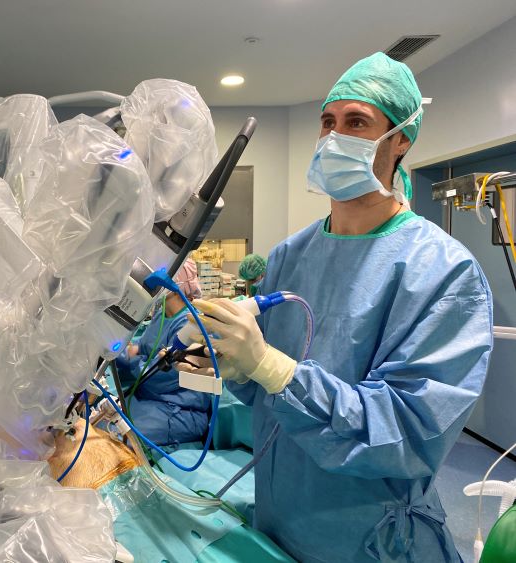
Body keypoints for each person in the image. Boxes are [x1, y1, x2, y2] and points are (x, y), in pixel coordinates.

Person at [177, 52, 493, 562]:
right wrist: (233, 364)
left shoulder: (444, 271)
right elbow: (267, 396)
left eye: (357, 122)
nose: (334, 136)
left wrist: (274, 368)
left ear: (401, 140)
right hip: (279, 515)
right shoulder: (290, 256)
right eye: (328, 121)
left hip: (367, 537)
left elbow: (407, 435)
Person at [116, 259, 210, 446]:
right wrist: (130, 351)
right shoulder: (161, 315)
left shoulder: (190, 324)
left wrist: (128, 359)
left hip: (178, 410)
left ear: (175, 283)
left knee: (117, 436)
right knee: (101, 416)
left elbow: (161, 374)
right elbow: (143, 346)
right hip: (148, 398)